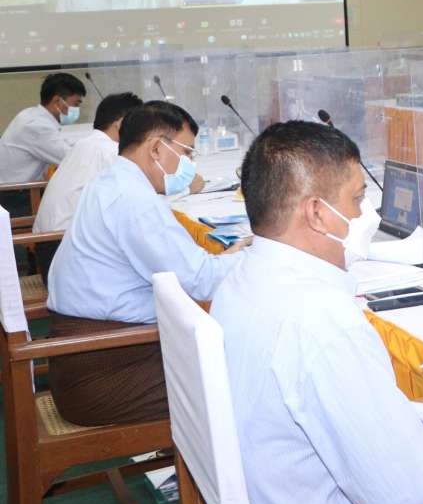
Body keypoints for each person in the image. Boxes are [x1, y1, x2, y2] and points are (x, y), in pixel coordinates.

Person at [214, 121, 423, 504]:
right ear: (317, 213)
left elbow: (320, 407)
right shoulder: (322, 320)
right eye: (358, 199)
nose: (368, 214)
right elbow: (409, 494)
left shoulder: (241, 280)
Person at [45, 101, 248, 425]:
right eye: (187, 152)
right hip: (107, 372)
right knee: (248, 379)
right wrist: (257, 256)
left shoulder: (113, 181)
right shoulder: (132, 199)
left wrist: (226, 260)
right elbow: (199, 280)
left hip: (96, 352)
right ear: (156, 148)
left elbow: (186, 271)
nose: (190, 163)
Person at [32, 92, 143, 276]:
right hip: (64, 256)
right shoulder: (109, 151)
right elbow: (140, 194)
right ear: (121, 123)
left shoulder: (86, 143)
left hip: (50, 249)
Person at [0, 72, 86, 213]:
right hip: (15, 198)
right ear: (57, 101)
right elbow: (71, 159)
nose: (77, 110)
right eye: (75, 104)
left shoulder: (31, 114)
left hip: (19, 192)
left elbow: (60, 144)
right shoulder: (38, 126)